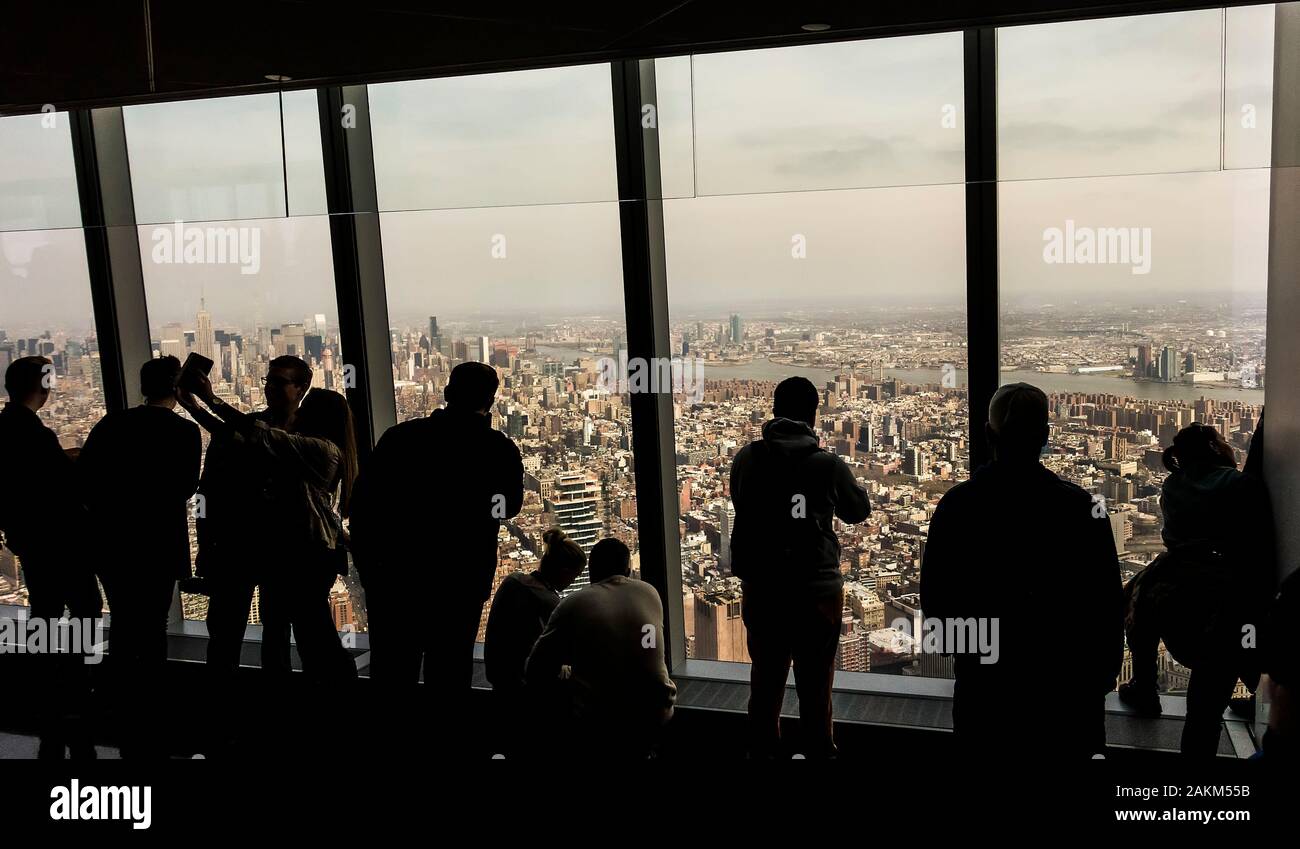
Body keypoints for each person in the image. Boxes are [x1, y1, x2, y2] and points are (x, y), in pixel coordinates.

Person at [921, 383, 1123, 759]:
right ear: (1046, 436)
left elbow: (937, 604)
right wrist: (1100, 676)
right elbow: (1108, 603)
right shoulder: (1082, 509)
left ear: (987, 433)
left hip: (987, 692)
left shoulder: (958, 507)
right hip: (1066, 693)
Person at [349, 361, 524, 754]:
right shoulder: (498, 450)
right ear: (491, 402)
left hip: (396, 582)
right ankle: (446, 756)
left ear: (446, 394)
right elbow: (509, 506)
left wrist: (371, 570)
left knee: (393, 677)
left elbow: (362, 505)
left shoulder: (400, 439)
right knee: (449, 677)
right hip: (460, 585)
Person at [180, 374, 358, 686]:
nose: (299, 412)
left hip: (306, 554)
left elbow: (257, 435)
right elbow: (240, 438)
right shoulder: (306, 449)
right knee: (291, 630)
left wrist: (209, 400)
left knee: (310, 633)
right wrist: (195, 409)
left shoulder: (319, 449)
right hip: (291, 553)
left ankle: (333, 691)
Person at [728, 376, 872, 759]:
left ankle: (763, 756)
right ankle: (820, 756)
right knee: (816, 686)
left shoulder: (747, 458)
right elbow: (859, 511)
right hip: (817, 592)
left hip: (764, 590)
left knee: (766, 684)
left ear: (774, 411)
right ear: (813, 415)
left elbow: (742, 502)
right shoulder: (826, 465)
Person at [1119, 421, 1275, 757]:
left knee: (1135, 599)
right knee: (1204, 710)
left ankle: (1145, 687)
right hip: (1221, 599)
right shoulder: (1239, 485)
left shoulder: (1174, 485)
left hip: (1172, 584)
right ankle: (1260, 704)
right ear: (1217, 449)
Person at [78, 355, 201, 758]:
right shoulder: (184, 432)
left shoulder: (110, 424)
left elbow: (87, 479)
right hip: (156, 544)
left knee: (125, 618)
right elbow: (185, 487)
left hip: (112, 543)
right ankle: (151, 703)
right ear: (177, 389)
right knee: (152, 624)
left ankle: (119, 703)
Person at [0, 356, 102, 759]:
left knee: (44, 612)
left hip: (29, 540)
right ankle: (77, 688)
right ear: (42, 385)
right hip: (59, 542)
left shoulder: (4, 427)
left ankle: (48, 691)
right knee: (85, 607)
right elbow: (61, 484)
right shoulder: (33, 433)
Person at [195, 356, 312, 677]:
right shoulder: (245, 427)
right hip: (238, 546)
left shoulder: (307, 437)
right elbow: (209, 488)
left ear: (302, 388)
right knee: (227, 632)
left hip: (282, 548)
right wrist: (206, 544)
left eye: (280, 381)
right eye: (268, 380)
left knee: (275, 631)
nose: (270, 388)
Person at [525, 538, 676, 759]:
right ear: (629, 570)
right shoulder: (649, 592)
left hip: (603, 725)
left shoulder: (573, 603)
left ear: (591, 571)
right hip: (658, 711)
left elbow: (535, 670)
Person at [483, 527, 586, 757]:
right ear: (564, 571)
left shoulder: (512, 581)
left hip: (498, 679)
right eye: (575, 576)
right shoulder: (549, 601)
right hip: (524, 694)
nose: (573, 582)